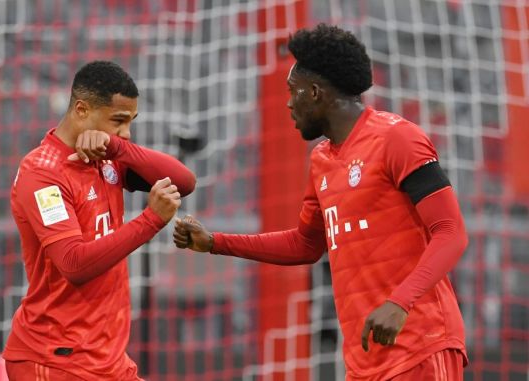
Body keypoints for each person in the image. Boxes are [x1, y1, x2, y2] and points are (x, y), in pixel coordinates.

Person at [174, 24, 467, 380]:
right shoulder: (322, 159)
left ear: (314, 92)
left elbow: (451, 231)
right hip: (366, 359)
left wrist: (399, 302)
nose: (287, 102)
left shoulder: (397, 139)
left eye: (292, 91)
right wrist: (215, 243)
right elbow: (305, 244)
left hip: (420, 344)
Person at [4, 61, 196, 380]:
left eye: (131, 122)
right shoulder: (42, 174)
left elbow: (184, 181)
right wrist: (150, 220)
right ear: (82, 110)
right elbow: (74, 264)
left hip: (106, 359)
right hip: (55, 360)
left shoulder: (107, 159)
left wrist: (118, 146)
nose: (127, 132)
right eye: (118, 121)